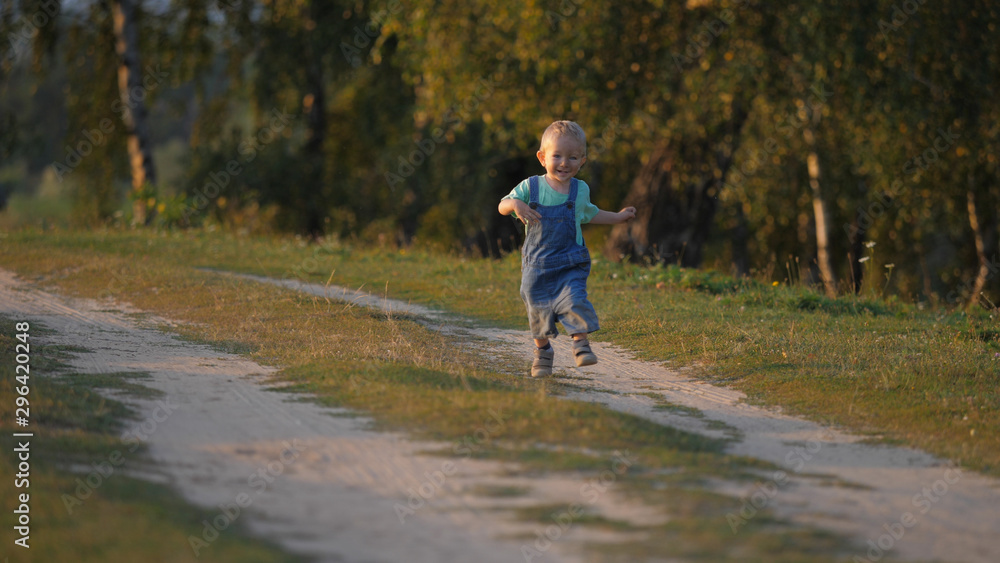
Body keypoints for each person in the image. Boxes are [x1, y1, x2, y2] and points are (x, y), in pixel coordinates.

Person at [498, 120, 637, 377]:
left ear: (582, 160)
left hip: (570, 260)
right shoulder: (531, 187)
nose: (564, 163)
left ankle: (581, 343)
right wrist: (516, 205)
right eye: (557, 156)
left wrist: (618, 217)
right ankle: (543, 351)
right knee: (536, 306)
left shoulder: (580, 190)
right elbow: (503, 205)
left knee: (574, 298)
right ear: (542, 158)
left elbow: (590, 214)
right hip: (536, 265)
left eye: (572, 157)